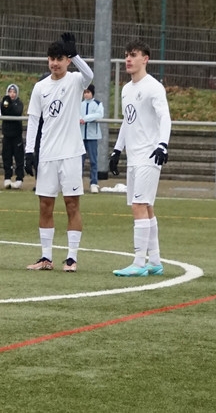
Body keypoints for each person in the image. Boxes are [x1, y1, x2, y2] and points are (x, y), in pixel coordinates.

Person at [23, 33, 93, 273]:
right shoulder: (40, 87)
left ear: (67, 61)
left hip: (71, 154)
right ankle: (46, 257)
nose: (55, 63)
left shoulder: (75, 81)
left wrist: (76, 54)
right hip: (47, 155)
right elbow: (34, 120)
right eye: (52, 59)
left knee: (72, 204)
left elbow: (90, 75)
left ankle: (72, 258)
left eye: (60, 59)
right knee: (45, 205)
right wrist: (29, 151)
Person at [110, 40, 171, 277]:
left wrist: (162, 145)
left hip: (149, 155)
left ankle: (138, 263)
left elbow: (165, 117)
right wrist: (117, 150)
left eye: (133, 55)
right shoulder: (127, 89)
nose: (128, 59)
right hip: (134, 157)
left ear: (145, 59)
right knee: (146, 206)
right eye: (126, 55)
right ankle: (154, 261)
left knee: (138, 206)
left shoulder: (154, 87)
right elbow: (128, 121)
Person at [81, 84, 105, 193]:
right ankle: (78, 183)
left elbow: (99, 115)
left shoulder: (98, 104)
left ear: (92, 93)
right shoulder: (79, 104)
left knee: (93, 161)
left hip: (92, 137)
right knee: (79, 161)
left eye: (88, 92)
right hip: (81, 136)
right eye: (85, 92)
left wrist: (85, 119)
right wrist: (79, 118)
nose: (86, 94)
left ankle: (94, 183)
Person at [0, 83, 25, 189]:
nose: (12, 94)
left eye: (14, 92)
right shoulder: (5, 101)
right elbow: (4, 110)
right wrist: (6, 102)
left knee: (19, 157)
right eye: (10, 92)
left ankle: (19, 178)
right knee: (6, 157)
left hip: (17, 135)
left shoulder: (19, 103)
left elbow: (16, 112)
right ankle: (7, 178)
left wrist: (9, 104)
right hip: (7, 135)